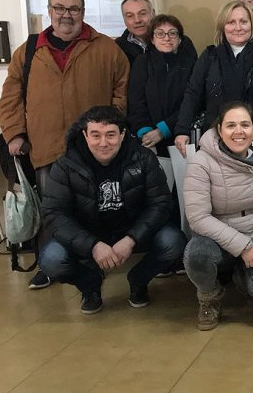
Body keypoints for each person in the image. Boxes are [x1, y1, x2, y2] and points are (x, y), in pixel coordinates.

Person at [0, 0, 129, 290]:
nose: (66, 15)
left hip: (94, 149)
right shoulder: (29, 51)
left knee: (93, 206)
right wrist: (14, 133)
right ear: (50, 11)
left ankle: (92, 260)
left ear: (83, 13)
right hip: (46, 148)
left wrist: (112, 129)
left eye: (73, 9)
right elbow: (10, 97)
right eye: (60, 8)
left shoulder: (106, 48)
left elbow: (122, 89)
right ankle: (50, 264)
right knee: (52, 209)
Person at [38, 106, 186, 314]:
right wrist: (93, 246)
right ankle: (90, 286)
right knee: (51, 259)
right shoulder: (65, 165)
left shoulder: (143, 158)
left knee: (174, 241)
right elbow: (54, 214)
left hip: (133, 230)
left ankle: (138, 280)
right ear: (85, 135)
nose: (103, 143)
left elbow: (160, 204)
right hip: (89, 234)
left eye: (110, 135)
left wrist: (131, 239)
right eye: (95, 135)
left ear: (123, 134)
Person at [182, 102, 253, 330]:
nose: (239, 131)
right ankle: (209, 296)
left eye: (245, 124)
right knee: (196, 255)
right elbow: (198, 218)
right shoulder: (201, 162)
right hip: (217, 235)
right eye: (231, 125)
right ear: (219, 130)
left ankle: (240, 275)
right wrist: (243, 247)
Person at [173, 0, 253, 156]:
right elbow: (192, 95)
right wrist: (182, 130)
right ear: (223, 26)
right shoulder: (209, 57)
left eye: (243, 21)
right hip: (216, 144)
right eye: (231, 22)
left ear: (252, 25)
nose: (238, 27)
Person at [128, 14, 195, 158]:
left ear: (180, 38)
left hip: (180, 136)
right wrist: (146, 134)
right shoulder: (142, 62)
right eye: (160, 33)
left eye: (172, 33)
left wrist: (162, 131)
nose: (167, 38)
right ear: (152, 39)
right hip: (148, 140)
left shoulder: (190, 64)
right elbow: (135, 101)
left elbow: (193, 102)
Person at [115, 0, 197, 68]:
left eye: (143, 13)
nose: (137, 20)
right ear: (124, 20)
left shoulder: (180, 41)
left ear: (153, 13)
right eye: (130, 16)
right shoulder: (117, 47)